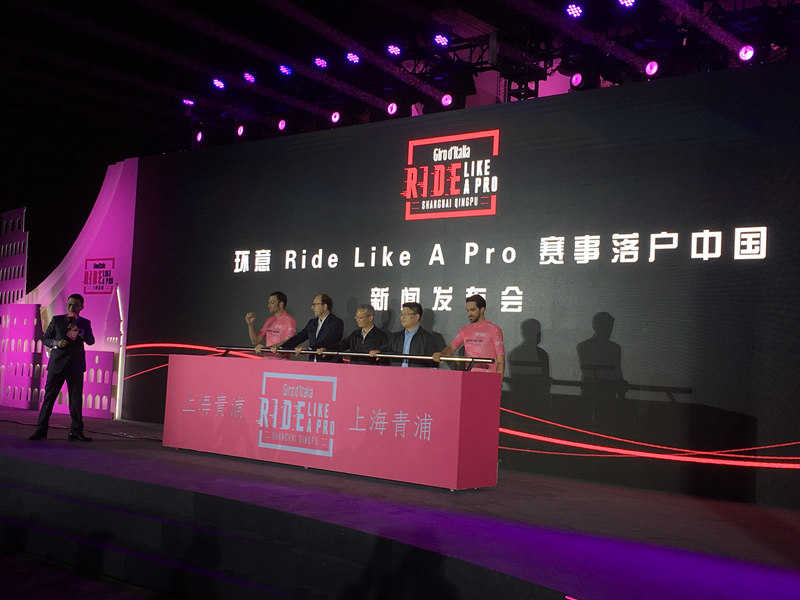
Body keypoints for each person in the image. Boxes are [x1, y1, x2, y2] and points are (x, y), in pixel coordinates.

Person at [30, 293, 95, 441]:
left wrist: (81, 332)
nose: (71, 307)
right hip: (57, 365)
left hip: (76, 366)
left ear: (82, 307)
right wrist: (56, 344)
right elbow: (45, 338)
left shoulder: (85, 323)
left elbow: (91, 341)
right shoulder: (57, 320)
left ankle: (76, 432)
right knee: (49, 398)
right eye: (69, 304)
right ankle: (40, 431)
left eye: (75, 305)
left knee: (76, 401)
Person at [434, 294, 505, 375]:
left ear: (482, 309)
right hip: (469, 377)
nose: (469, 313)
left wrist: (498, 380)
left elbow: (501, 360)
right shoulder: (464, 330)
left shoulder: (494, 330)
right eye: (467, 310)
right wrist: (441, 355)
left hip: (489, 377)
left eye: (472, 310)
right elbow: (451, 347)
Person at [275, 293, 343, 362]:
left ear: (325, 306)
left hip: (329, 364)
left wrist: (308, 349)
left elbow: (331, 342)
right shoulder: (312, 323)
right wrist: (282, 348)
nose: (312, 308)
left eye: (315, 304)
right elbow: (299, 337)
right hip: (312, 364)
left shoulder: (336, 322)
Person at [371, 302, 439, 368]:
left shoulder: (427, 338)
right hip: (396, 372)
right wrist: (379, 351)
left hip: (416, 374)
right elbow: (387, 349)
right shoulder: (395, 337)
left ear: (416, 317)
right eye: (401, 314)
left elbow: (432, 363)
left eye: (406, 314)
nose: (402, 317)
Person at [244, 291, 296, 358]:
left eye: (272, 303)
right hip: (267, 360)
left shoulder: (290, 321)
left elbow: (289, 341)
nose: (268, 306)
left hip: (281, 361)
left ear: (281, 304)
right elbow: (255, 341)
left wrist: (266, 349)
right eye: (269, 303)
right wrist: (250, 324)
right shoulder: (269, 320)